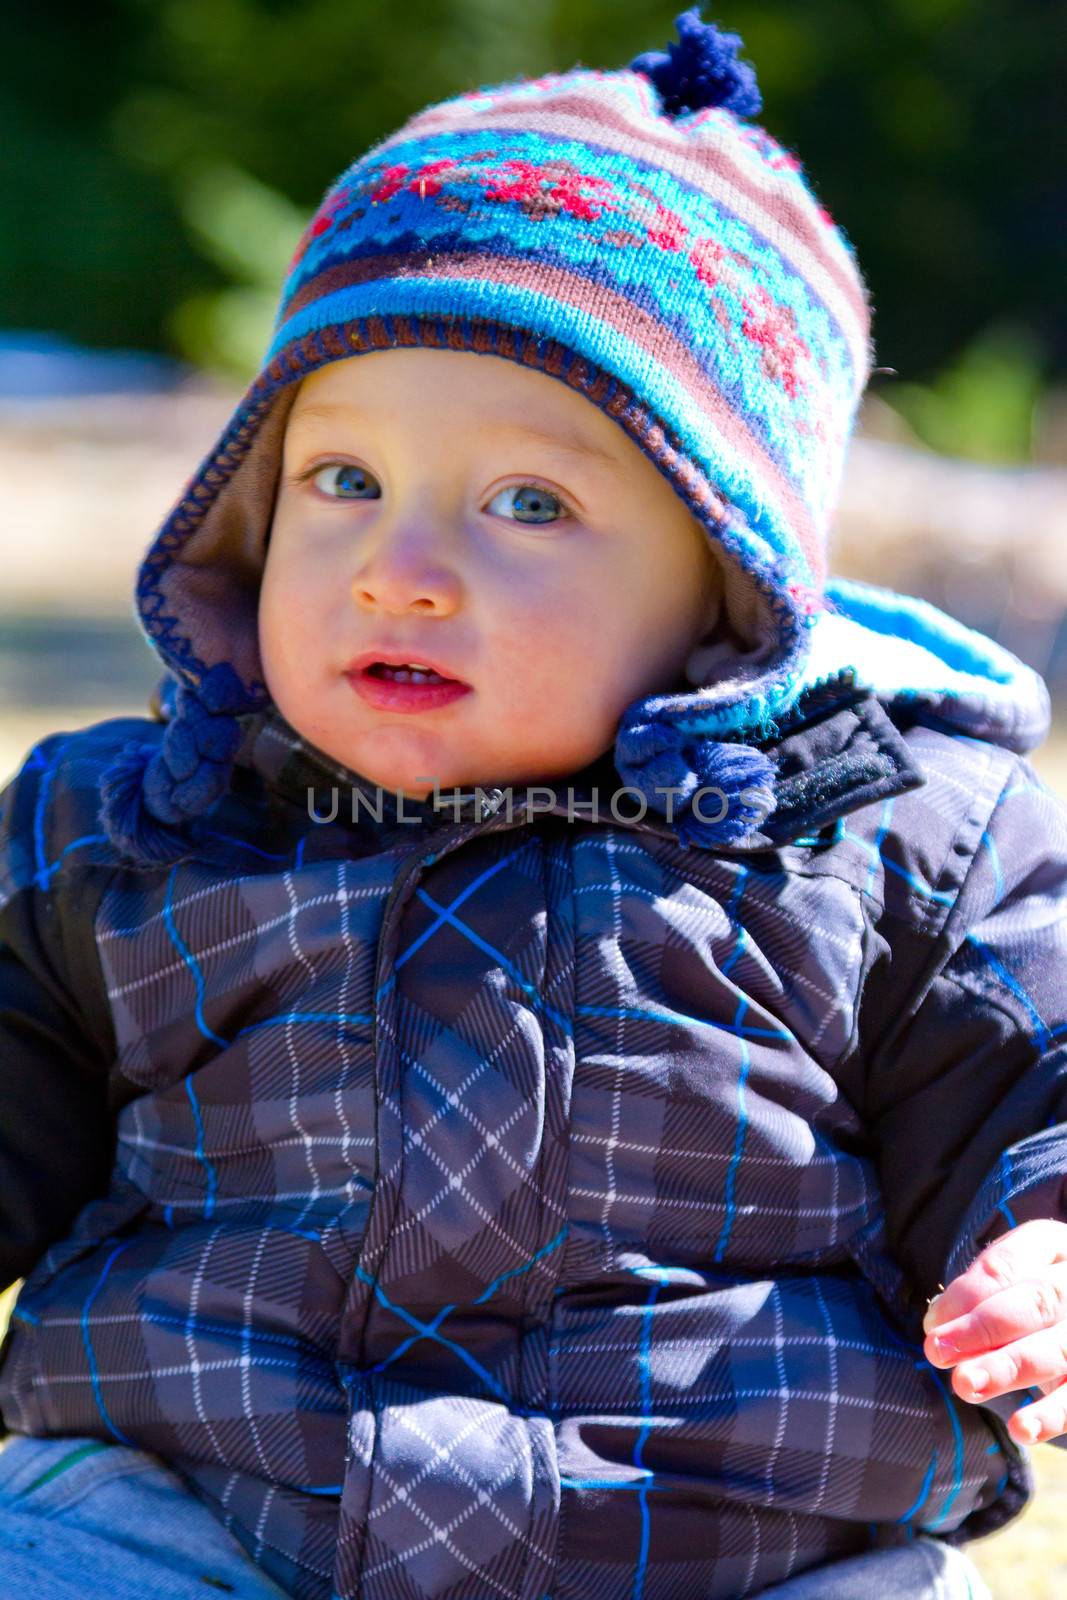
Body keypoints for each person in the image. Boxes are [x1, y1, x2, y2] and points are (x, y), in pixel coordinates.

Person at [1, 9, 1065, 1598]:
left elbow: (1030, 1080)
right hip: (202, 1506)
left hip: (751, 1541)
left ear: (729, 587)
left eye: (528, 504)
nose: (399, 571)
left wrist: (1046, 1239)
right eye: (342, 479)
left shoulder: (887, 836)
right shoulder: (140, 820)